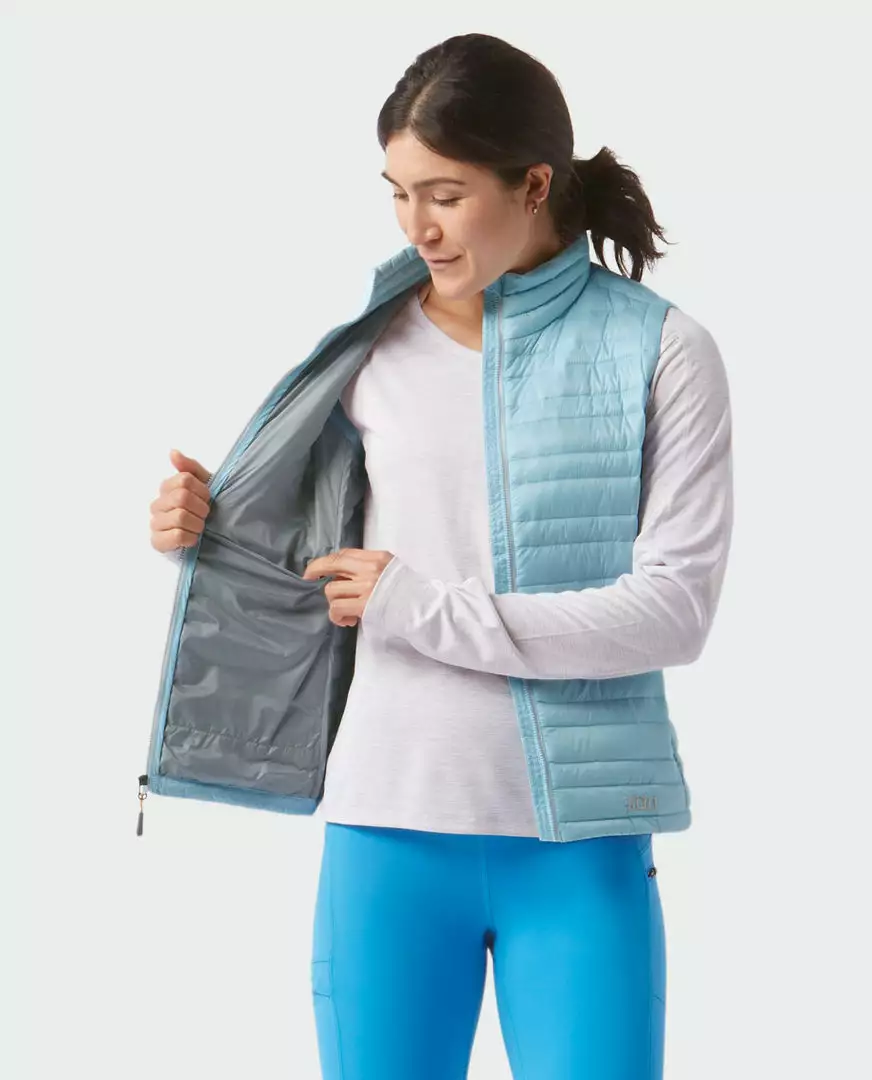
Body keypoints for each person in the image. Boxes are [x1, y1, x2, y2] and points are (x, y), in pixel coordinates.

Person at [148, 32, 732, 1080]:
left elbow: (673, 611)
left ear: (534, 184)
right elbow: (304, 564)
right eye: (397, 194)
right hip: (385, 831)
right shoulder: (368, 349)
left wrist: (421, 607)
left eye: (446, 195)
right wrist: (202, 533)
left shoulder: (664, 350)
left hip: (581, 850)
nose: (416, 225)